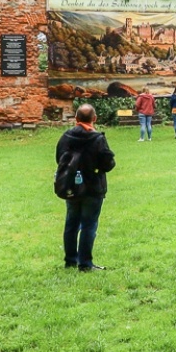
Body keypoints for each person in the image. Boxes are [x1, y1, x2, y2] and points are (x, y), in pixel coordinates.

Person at [57, 104, 116, 271]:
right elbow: (108, 163)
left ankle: (70, 260)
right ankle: (85, 263)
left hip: (72, 186)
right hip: (93, 187)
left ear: (76, 119)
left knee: (71, 223)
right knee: (89, 225)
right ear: (94, 119)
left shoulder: (67, 136)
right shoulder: (97, 138)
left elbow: (59, 158)